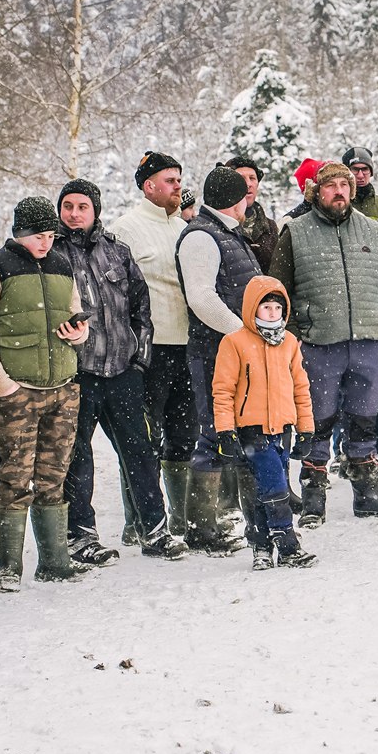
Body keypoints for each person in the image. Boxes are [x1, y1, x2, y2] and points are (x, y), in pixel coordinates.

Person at [268, 161, 378, 523]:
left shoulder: (371, 230)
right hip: (318, 345)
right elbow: (277, 290)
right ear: (317, 191)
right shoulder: (295, 232)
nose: (339, 192)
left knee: (365, 421)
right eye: (331, 186)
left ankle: (367, 494)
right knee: (317, 422)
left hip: (370, 343)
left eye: (344, 185)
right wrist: (296, 337)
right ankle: (314, 498)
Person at [0, 197, 92, 586]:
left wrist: (79, 333)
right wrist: (4, 385)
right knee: (15, 478)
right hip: (18, 392)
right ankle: (9, 568)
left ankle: (54, 561)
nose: (46, 243)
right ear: (20, 232)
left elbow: (77, 318)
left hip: (63, 388)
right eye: (39, 235)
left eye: (51, 235)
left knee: (54, 476)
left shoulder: (61, 265)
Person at [57, 178, 183, 562]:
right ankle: (81, 537)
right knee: (77, 457)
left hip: (123, 372)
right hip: (78, 374)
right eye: (68, 206)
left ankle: (155, 531)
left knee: (140, 453)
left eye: (82, 206)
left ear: (95, 210)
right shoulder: (53, 255)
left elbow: (141, 309)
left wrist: (140, 360)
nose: (74, 214)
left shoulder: (117, 252)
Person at [110, 152, 197, 549]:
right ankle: (140, 520)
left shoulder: (185, 228)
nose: (178, 186)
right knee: (143, 438)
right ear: (149, 186)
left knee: (184, 435)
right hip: (148, 350)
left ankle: (179, 517)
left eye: (179, 179)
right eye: (170, 180)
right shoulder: (125, 229)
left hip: (187, 345)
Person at [177, 166, 264, 551]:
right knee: (215, 433)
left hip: (233, 350)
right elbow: (201, 298)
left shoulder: (226, 233)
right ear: (235, 199)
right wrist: (242, 334)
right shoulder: (201, 236)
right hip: (215, 353)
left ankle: (253, 522)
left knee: (242, 432)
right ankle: (201, 530)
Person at [212, 276, 319, 570]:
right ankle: (288, 546)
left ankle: (261, 546)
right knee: (275, 489)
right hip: (252, 431)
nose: (272, 313)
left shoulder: (289, 342)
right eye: (266, 307)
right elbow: (223, 390)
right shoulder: (234, 342)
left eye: (277, 308)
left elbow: (301, 388)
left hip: (282, 430)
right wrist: (225, 431)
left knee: (265, 491)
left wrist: (306, 430)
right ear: (252, 308)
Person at [227, 156, 279, 271]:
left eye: (252, 178)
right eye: (241, 178)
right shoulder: (222, 225)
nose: (248, 184)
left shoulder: (270, 227)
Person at [342, 146, 378, 221]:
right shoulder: (339, 205)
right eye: (355, 169)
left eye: (365, 169)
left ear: (371, 172)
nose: (360, 175)